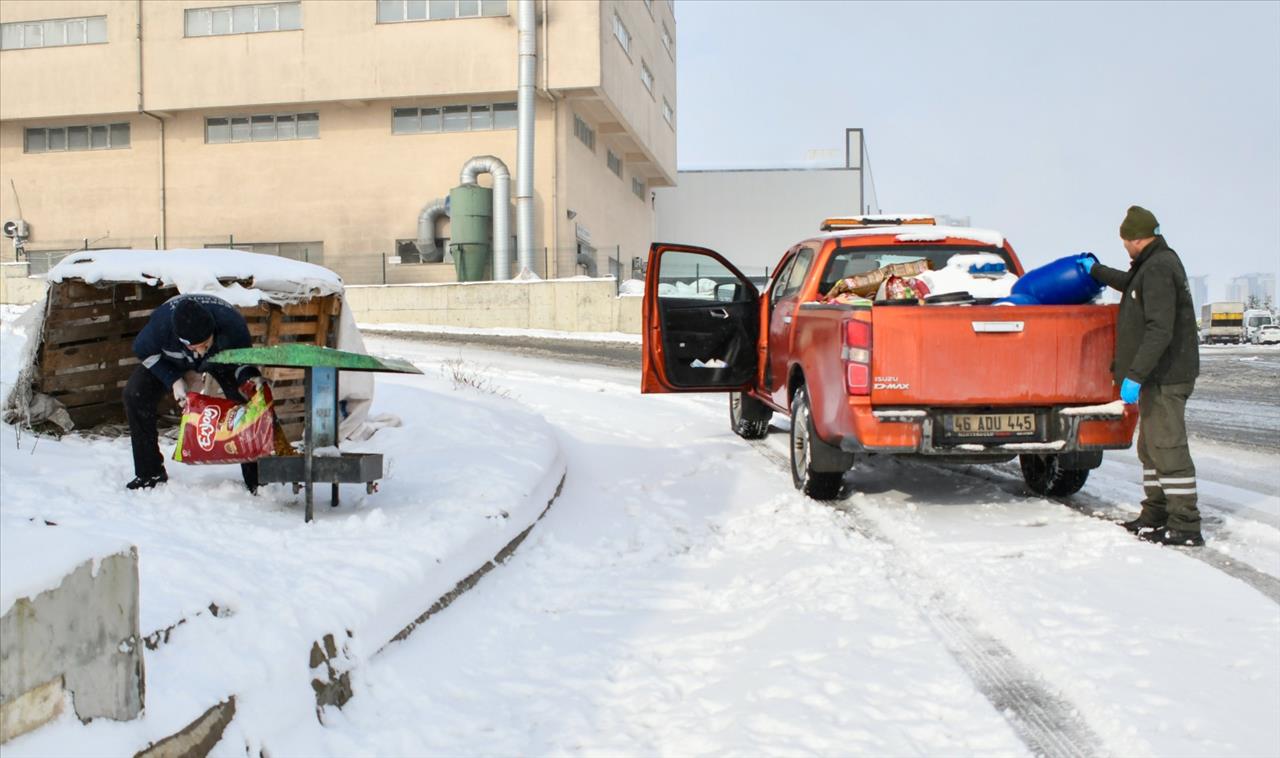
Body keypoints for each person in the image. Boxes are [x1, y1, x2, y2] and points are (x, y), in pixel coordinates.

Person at [1082, 206, 1202, 546]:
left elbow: (1160, 330)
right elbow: (1129, 282)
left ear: (1136, 239)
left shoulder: (1160, 267)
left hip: (1167, 375)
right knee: (1150, 449)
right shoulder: (1149, 264)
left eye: (1125, 243)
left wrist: (1134, 374)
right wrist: (1097, 271)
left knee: (1168, 447)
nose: (1125, 248)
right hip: (1155, 377)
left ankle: (1186, 524)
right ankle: (1155, 514)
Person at [124, 294, 266, 492]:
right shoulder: (160, 327)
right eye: (193, 346)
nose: (199, 351)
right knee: (135, 394)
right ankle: (150, 473)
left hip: (221, 361)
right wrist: (173, 380)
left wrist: (250, 381)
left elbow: (243, 364)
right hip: (173, 361)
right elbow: (143, 352)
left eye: (205, 344)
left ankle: (258, 478)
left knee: (247, 400)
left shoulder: (232, 325)